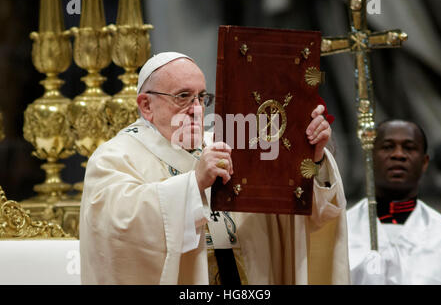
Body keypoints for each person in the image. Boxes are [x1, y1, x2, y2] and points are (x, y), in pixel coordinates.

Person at [79, 52, 350, 285]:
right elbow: (115, 228)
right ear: (146, 105)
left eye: (202, 98)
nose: (197, 109)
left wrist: (311, 160)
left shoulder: (227, 145)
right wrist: (192, 184)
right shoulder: (115, 156)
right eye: (183, 97)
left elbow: (297, 213)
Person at [347, 119, 441, 285]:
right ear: (370, 158)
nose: (398, 155)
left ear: (424, 163)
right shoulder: (341, 231)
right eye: (388, 147)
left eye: (409, 148)